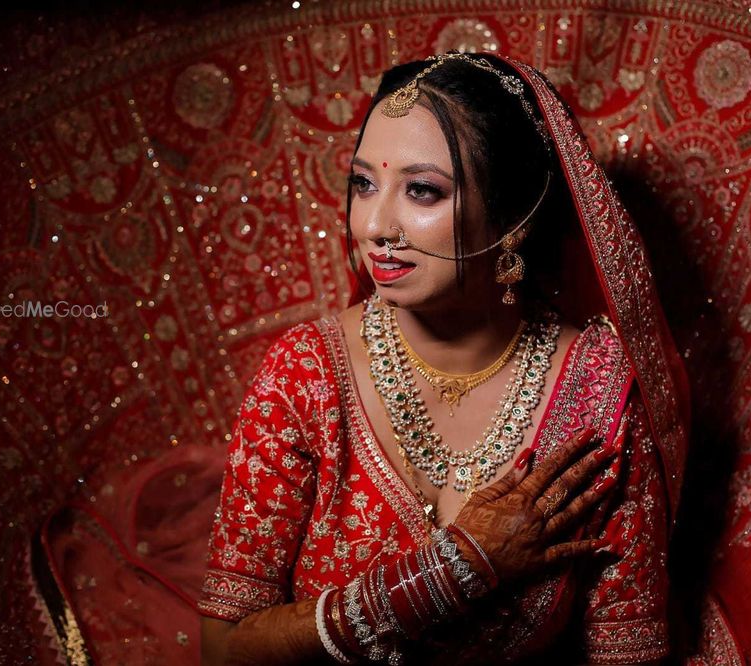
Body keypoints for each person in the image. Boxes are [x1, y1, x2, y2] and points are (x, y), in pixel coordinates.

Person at [198, 51, 689, 665]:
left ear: (513, 215)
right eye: (363, 184)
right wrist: (453, 571)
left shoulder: (601, 392)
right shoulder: (304, 373)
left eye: (422, 191)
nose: (375, 226)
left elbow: (626, 653)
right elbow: (224, 650)